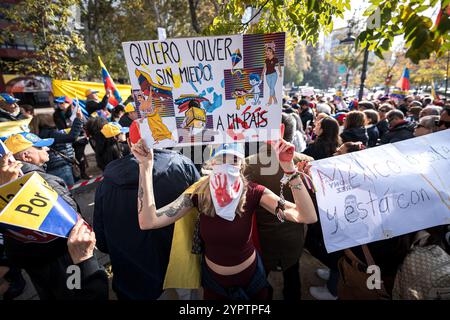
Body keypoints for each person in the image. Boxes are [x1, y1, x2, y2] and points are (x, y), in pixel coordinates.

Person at [131, 140, 317, 300]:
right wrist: (145, 167)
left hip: (252, 280)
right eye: (222, 159)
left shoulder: (253, 192)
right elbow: (149, 221)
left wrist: (289, 169)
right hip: (214, 284)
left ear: (241, 165)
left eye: (234, 160)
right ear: (212, 163)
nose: (227, 165)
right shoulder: (199, 193)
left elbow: (306, 216)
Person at [93, 137, 200, 300]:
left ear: (129, 143)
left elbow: (102, 242)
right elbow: (203, 215)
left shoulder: (105, 184)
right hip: (180, 274)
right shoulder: (183, 166)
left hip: (131, 283)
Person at [1, 137, 108, 300]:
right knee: (77, 290)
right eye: (40, 148)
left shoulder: (9, 186)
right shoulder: (45, 182)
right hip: (68, 259)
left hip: (37, 266)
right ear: (26, 156)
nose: (47, 150)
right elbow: (73, 222)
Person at [245, 117, 314, 301]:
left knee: (260, 281)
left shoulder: (248, 164)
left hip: (262, 237)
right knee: (292, 275)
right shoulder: (306, 162)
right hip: (294, 235)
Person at [36, 108, 84, 186]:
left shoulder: (38, 134)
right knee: (69, 193)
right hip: (61, 168)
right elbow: (71, 137)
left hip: (49, 168)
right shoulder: (51, 133)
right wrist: (78, 119)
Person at [261, 42, 282, 106]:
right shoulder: (266, 60)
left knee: (272, 87)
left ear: (271, 51)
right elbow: (264, 68)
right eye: (266, 51)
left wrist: (280, 72)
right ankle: (275, 100)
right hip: (267, 75)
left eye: (268, 51)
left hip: (274, 74)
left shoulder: (275, 59)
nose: (267, 52)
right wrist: (262, 75)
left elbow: (279, 66)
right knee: (271, 88)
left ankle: (270, 101)